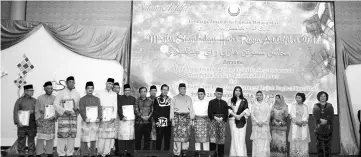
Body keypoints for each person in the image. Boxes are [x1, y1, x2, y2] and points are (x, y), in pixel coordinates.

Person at [54, 76, 81, 157]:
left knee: (71, 137)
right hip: (63, 118)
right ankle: (61, 153)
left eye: (73, 82)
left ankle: (70, 153)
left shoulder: (77, 93)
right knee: (62, 136)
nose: (72, 83)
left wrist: (77, 109)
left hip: (72, 118)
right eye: (70, 82)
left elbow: (79, 105)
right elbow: (55, 104)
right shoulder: (61, 93)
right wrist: (64, 111)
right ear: (66, 83)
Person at [170, 83, 195, 157]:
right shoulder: (174, 98)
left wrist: (191, 119)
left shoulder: (189, 98)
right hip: (177, 118)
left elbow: (191, 110)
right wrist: (172, 119)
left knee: (186, 137)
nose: (183, 90)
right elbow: (171, 109)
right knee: (177, 137)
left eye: (184, 89)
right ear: (178, 89)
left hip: (187, 119)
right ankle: (177, 153)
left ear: (185, 89)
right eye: (181, 89)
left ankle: (184, 152)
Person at [79, 81, 102, 157]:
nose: (90, 89)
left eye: (91, 88)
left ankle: (92, 153)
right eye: (88, 88)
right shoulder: (82, 99)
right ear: (86, 89)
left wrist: (99, 118)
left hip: (95, 122)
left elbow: (99, 110)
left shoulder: (97, 99)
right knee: (84, 138)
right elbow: (81, 110)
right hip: (86, 121)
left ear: (93, 89)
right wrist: (85, 118)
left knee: (93, 138)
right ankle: (84, 153)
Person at [13, 84, 37, 157]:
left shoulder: (34, 100)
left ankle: (31, 152)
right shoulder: (19, 100)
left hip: (32, 122)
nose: (32, 92)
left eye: (33, 90)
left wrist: (34, 111)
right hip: (22, 123)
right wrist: (17, 121)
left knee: (31, 138)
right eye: (31, 91)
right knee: (21, 138)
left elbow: (38, 110)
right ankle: (21, 152)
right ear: (26, 91)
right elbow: (15, 111)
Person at [96, 78, 117, 157]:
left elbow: (115, 106)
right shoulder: (100, 93)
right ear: (106, 83)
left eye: (112, 84)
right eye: (109, 83)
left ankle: (106, 153)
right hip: (102, 117)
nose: (110, 85)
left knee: (109, 136)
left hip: (110, 118)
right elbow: (97, 105)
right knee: (101, 136)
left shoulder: (114, 94)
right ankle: (100, 152)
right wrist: (99, 115)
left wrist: (113, 117)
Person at [35, 82, 56, 157]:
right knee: (40, 138)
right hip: (42, 121)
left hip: (51, 121)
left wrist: (54, 116)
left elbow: (57, 110)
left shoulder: (55, 98)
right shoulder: (40, 98)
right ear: (45, 89)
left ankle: (49, 153)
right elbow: (36, 110)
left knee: (50, 138)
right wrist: (37, 120)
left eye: (51, 88)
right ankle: (39, 153)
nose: (50, 90)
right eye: (48, 88)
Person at [228, 86, 250, 157]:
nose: (237, 92)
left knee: (241, 138)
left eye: (239, 90)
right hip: (233, 121)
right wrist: (235, 115)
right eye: (236, 90)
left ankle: (241, 155)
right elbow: (229, 110)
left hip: (242, 120)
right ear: (234, 91)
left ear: (241, 92)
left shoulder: (244, 100)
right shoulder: (230, 100)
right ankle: (234, 155)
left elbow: (246, 110)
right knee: (235, 137)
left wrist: (240, 116)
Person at [208, 87, 228, 157]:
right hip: (213, 121)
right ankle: (212, 155)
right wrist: (215, 117)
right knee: (213, 139)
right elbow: (209, 113)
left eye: (221, 94)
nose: (219, 95)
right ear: (215, 94)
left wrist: (222, 118)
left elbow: (226, 113)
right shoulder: (211, 102)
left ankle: (220, 155)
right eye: (218, 94)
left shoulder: (225, 103)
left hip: (222, 122)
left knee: (221, 140)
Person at [313, 91, 334, 157]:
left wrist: (326, 120)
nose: (323, 97)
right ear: (318, 97)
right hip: (319, 128)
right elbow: (314, 115)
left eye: (324, 96)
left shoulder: (330, 105)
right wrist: (320, 120)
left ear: (326, 97)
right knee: (319, 146)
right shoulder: (315, 106)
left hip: (328, 127)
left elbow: (331, 115)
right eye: (321, 96)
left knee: (328, 146)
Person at [117, 84, 136, 157]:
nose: (127, 91)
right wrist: (122, 116)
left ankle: (129, 151)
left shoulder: (133, 98)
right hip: (123, 120)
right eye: (126, 90)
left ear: (130, 91)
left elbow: (135, 109)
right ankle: (121, 151)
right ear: (124, 91)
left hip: (131, 121)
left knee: (130, 136)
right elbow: (119, 108)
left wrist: (134, 115)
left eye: (128, 90)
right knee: (122, 136)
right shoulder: (120, 98)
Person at [250, 91, 271, 157]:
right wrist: (257, 122)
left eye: (260, 95)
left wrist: (263, 122)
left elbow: (268, 114)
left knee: (265, 142)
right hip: (256, 126)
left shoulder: (266, 104)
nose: (259, 96)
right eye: (257, 95)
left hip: (264, 125)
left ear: (263, 96)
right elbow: (252, 114)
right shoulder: (254, 104)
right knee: (257, 142)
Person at [289, 93, 310, 157]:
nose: (297, 99)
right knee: (295, 139)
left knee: (303, 139)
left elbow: (306, 116)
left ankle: (303, 154)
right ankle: (295, 154)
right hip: (295, 125)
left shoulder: (305, 106)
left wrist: (303, 122)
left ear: (302, 99)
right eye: (296, 97)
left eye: (299, 98)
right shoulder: (293, 106)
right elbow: (292, 115)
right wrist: (297, 122)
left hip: (303, 125)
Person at [153, 84, 172, 151]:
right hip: (160, 123)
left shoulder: (170, 100)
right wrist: (156, 121)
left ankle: (166, 154)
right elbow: (155, 111)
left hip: (168, 123)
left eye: (166, 90)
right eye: (164, 89)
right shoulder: (157, 99)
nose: (165, 91)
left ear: (168, 91)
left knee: (167, 140)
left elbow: (171, 111)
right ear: (161, 90)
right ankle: (158, 154)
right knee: (159, 140)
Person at [149, 85, 157, 150]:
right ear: (149, 91)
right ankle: (147, 152)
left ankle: (154, 151)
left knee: (154, 136)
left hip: (155, 121)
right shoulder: (147, 99)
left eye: (155, 91)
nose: (153, 92)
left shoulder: (158, 100)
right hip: (147, 120)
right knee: (148, 136)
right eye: (152, 91)